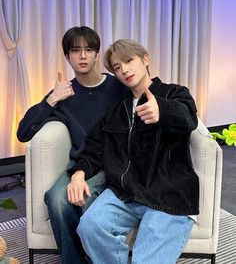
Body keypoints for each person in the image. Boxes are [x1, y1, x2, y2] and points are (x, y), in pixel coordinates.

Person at [67, 39, 199, 264]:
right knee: (90, 228)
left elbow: (188, 117)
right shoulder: (117, 111)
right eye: (117, 67)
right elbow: (94, 147)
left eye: (128, 61)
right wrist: (78, 174)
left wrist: (162, 111)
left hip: (168, 194)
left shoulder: (174, 93)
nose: (124, 70)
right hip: (125, 193)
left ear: (145, 59)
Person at [17, 26, 127, 264]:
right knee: (56, 199)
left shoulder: (118, 88)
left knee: (85, 200)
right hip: (79, 165)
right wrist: (52, 99)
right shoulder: (65, 93)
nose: (83, 56)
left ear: (97, 54)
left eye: (89, 49)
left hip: (112, 164)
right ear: (67, 57)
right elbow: (23, 132)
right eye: (76, 51)